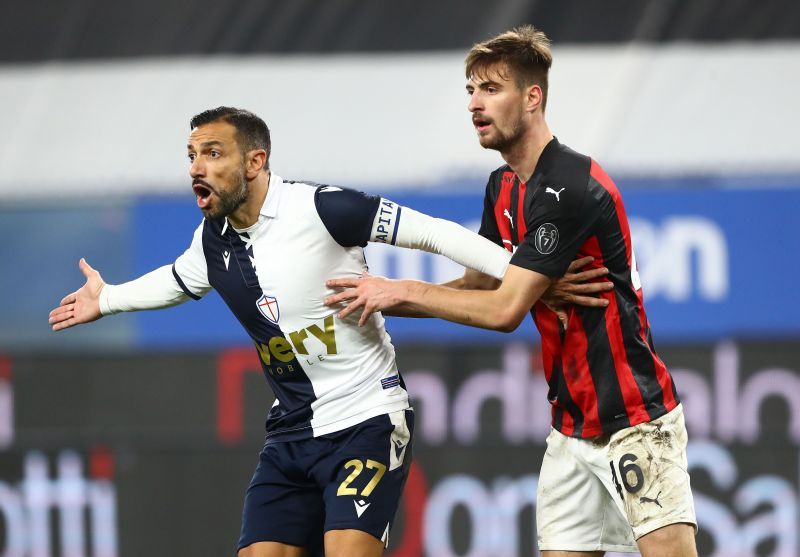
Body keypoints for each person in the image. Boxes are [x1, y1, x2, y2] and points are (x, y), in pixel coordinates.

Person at [48, 106, 604, 557]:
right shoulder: (209, 244)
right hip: (289, 436)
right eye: (191, 155)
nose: (197, 166)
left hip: (366, 420)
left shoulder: (321, 208)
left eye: (213, 153)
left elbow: (432, 232)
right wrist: (110, 298)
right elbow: (174, 282)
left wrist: (524, 277)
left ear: (255, 161)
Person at [325, 26, 698, 557]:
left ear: (532, 97)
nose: (476, 104)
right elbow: (481, 281)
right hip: (570, 430)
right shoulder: (502, 186)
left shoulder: (568, 187)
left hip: (635, 421)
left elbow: (503, 309)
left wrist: (402, 288)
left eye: (492, 89)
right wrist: (383, 300)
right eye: (471, 91)